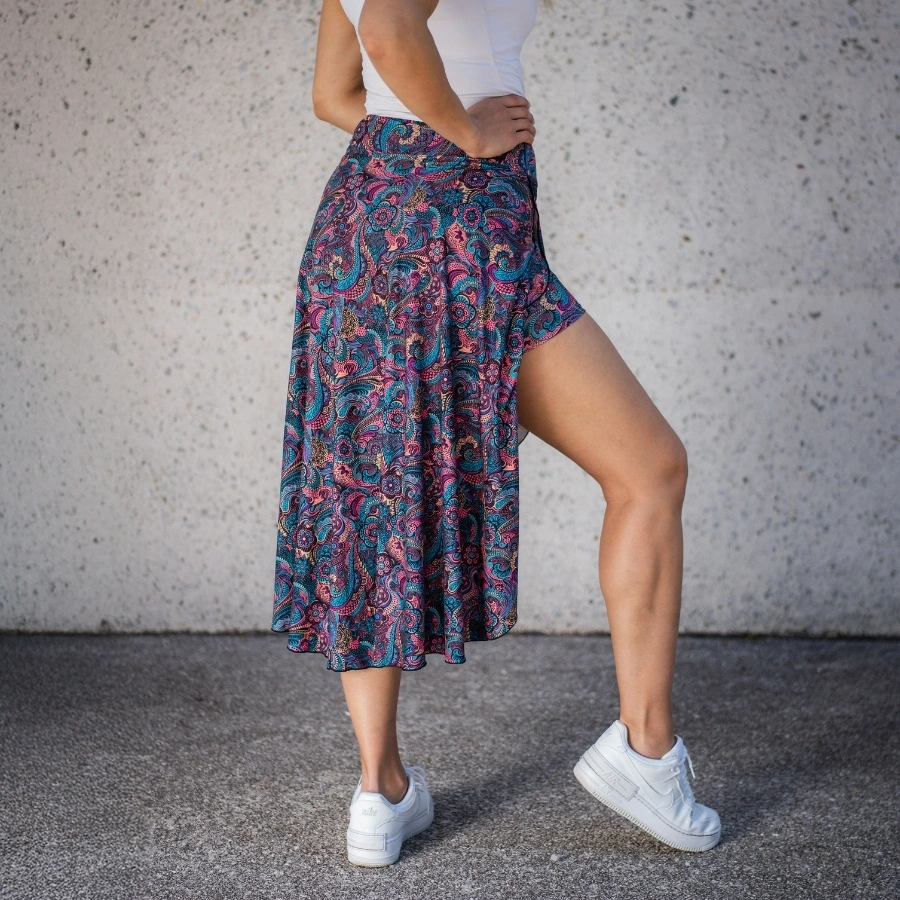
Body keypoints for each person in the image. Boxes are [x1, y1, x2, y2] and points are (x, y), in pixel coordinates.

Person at [271, 0, 721, 866]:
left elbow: (335, 94)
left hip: (362, 231)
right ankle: (646, 752)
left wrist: (415, 139)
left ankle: (379, 792)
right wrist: (463, 133)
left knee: (375, 498)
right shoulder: (463, 143)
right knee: (649, 469)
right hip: (463, 229)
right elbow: (390, 32)